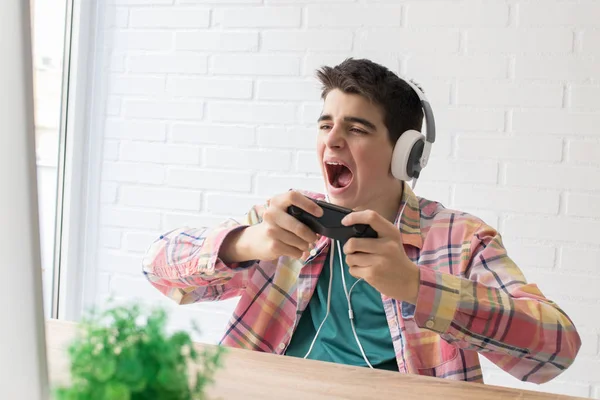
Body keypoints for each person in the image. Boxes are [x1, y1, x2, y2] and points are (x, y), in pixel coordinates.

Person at [142, 58, 581, 383]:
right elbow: (157, 269)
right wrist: (244, 243)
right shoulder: (284, 220)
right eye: (325, 125)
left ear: (405, 153)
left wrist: (414, 285)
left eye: (356, 129)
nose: (332, 139)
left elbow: (556, 350)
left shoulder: (459, 240)